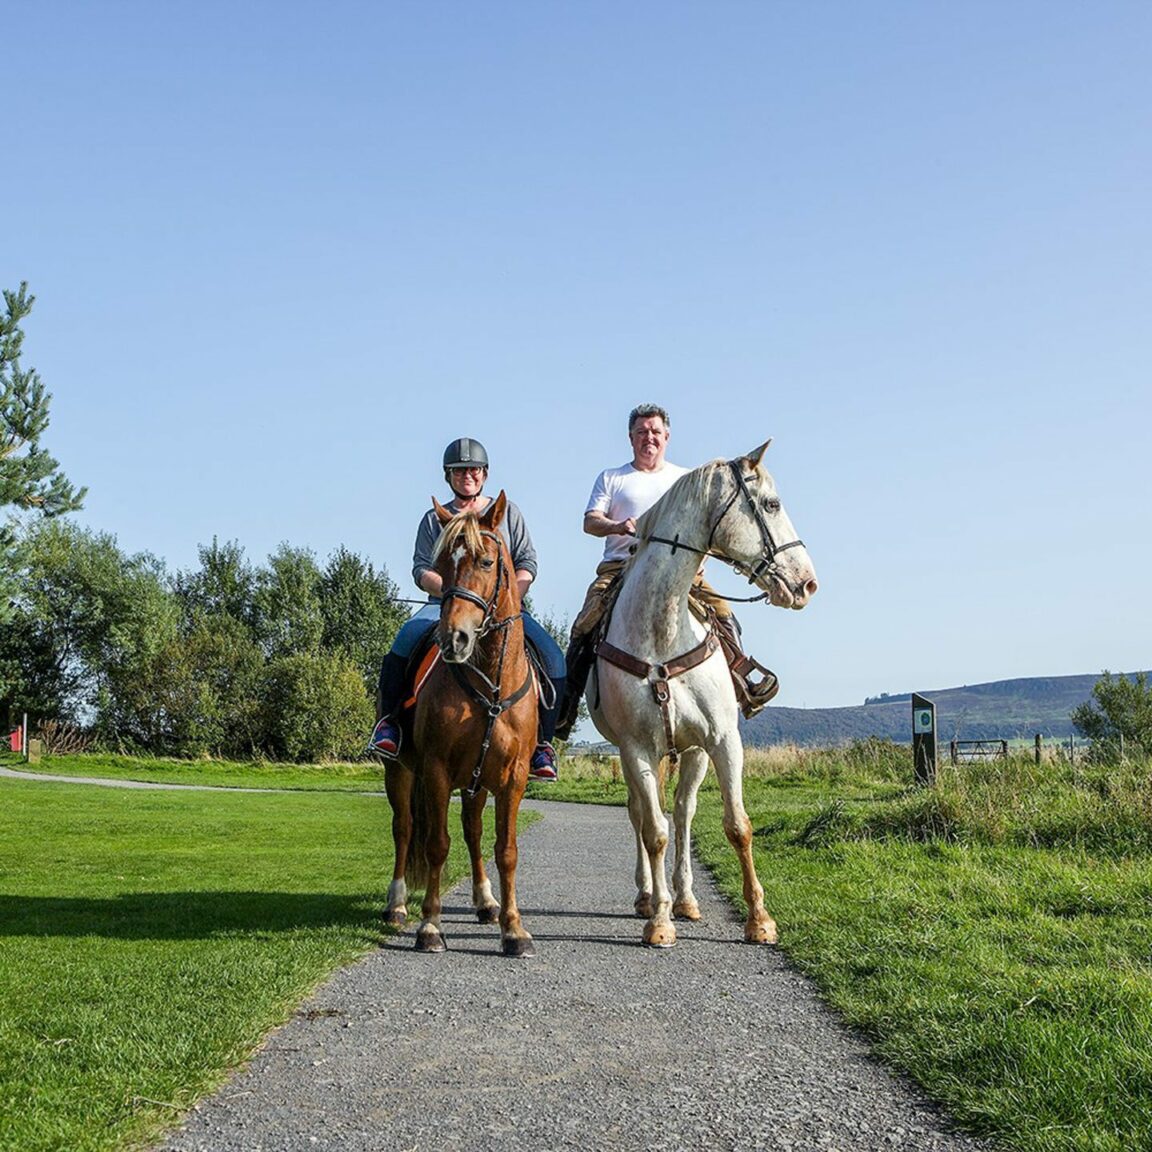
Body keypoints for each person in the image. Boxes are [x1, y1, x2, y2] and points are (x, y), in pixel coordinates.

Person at [554, 403, 778, 739]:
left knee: (722, 612)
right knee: (586, 621)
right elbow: (590, 521)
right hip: (620, 567)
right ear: (630, 437)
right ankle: (566, 707)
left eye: (655, 432)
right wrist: (617, 525)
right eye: (642, 432)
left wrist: (701, 557)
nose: (649, 438)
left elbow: (705, 527)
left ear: (667, 437)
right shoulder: (613, 478)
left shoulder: (685, 479)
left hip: (683, 573)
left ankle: (741, 684)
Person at [369, 437, 566, 781]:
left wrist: (513, 598)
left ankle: (543, 745)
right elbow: (420, 568)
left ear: (484, 473)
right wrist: (455, 593)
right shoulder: (435, 520)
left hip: (504, 609)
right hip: (445, 605)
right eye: (459, 471)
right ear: (448, 476)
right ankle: (390, 726)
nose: (467, 476)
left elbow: (527, 562)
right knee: (404, 641)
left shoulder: (509, 514)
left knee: (553, 656)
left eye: (473, 469)